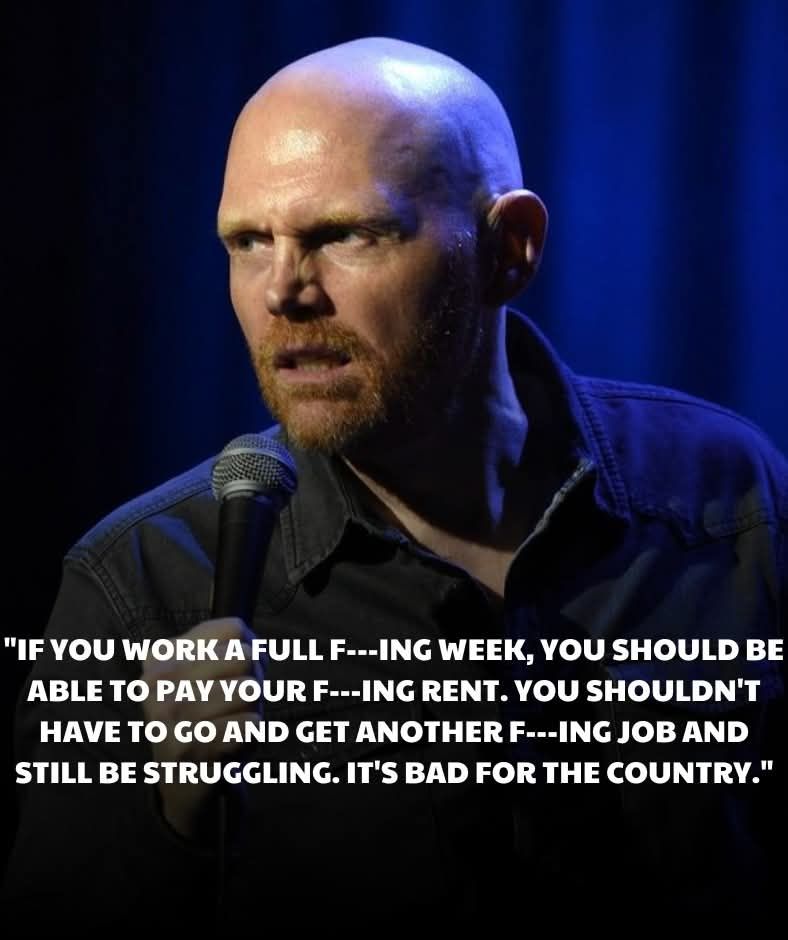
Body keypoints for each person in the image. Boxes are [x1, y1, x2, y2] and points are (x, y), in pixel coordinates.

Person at [4, 37, 785, 931]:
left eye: (347, 235)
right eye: (249, 242)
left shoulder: (729, 499)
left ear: (510, 248)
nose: (283, 292)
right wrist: (172, 819)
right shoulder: (145, 585)